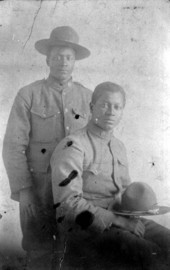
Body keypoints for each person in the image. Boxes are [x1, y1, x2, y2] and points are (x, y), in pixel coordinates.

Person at [51, 82, 170, 269]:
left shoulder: (119, 147)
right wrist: (117, 221)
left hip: (121, 221)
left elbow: (125, 194)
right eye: (105, 104)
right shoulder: (74, 145)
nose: (111, 112)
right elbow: (68, 204)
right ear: (92, 107)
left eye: (117, 107)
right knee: (148, 254)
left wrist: (136, 212)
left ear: (122, 111)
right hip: (87, 228)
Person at [2, 26, 92, 269]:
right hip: (38, 191)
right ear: (48, 59)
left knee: (75, 252)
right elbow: (12, 146)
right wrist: (24, 191)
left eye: (68, 57)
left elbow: (96, 146)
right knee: (38, 251)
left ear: (75, 61)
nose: (63, 62)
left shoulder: (88, 98)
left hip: (75, 192)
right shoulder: (28, 95)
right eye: (58, 56)